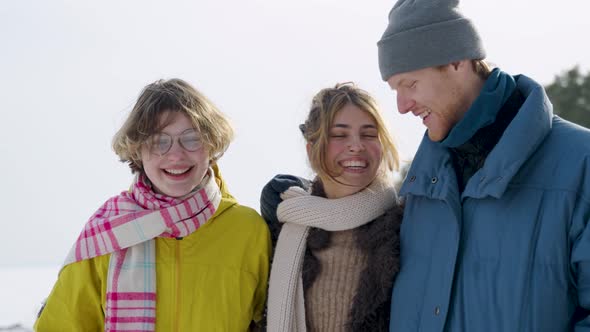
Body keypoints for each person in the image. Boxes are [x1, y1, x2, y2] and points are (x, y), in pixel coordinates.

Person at [376, 0, 590, 330]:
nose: (402, 106)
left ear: (456, 61)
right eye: (395, 90)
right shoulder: (420, 191)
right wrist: (299, 204)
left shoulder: (580, 163)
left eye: (410, 84)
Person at [34, 78, 271, 331]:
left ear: (211, 144)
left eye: (192, 139)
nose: (176, 155)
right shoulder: (107, 232)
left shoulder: (248, 230)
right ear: (137, 150)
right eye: (159, 141)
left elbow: (276, 320)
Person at [260, 83, 404, 331]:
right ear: (312, 148)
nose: (356, 145)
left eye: (369, 134)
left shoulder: (407, 229)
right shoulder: (279, 231)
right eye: (339, 135)